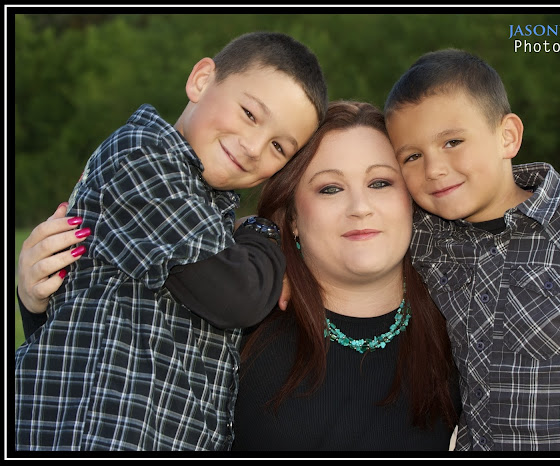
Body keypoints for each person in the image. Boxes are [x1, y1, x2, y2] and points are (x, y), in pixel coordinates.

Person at [16, 101, 461, 451]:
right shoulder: (234, 314)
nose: (359, 207)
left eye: (381, 183)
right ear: (292, 218)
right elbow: (99, 383)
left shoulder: (463, 321)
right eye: (329, 188)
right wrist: (39, 304)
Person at [14, 30, 328, 451]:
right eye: (250, 114)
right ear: (201, 80)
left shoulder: (210, 210)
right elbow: (238, 297)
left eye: (278, 146)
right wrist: (263, 235)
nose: (254, 147)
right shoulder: (141, 155)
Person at [382, 48, 560, 451]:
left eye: (452, 142)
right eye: (412, 156)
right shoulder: (422, 236)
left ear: (507, 136)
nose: (434, 169)